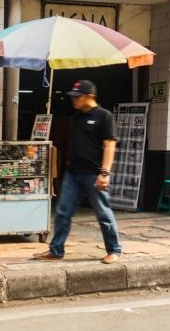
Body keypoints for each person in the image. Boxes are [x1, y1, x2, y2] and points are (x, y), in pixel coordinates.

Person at [35, 79, 123, 264]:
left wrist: (104, 173)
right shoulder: (77, 117)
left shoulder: (104, 116)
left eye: (77, 97)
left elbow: (109, 146)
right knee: (62, 212)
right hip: (73, 173)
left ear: (89, 96)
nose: (73, 100)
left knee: (103, 213)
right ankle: (56, 250)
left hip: (94, 173)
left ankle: (114, 250)